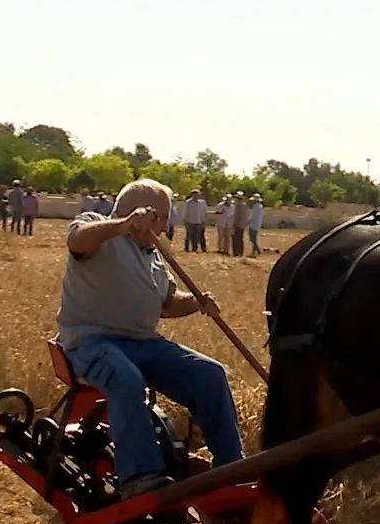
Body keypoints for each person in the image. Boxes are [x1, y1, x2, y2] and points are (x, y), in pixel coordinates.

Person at [55, 179, 243, 500]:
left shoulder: (152, 255)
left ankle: (232, 469)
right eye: (162, 217)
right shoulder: (98, 229)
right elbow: (77, 241)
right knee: (126, 377)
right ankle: (139, 476)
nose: (166, 226)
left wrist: (197, 303)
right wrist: (124, 226)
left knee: (210, 374)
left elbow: (167, 304)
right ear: (140, 212)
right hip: (91, 343)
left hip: (144, 344)